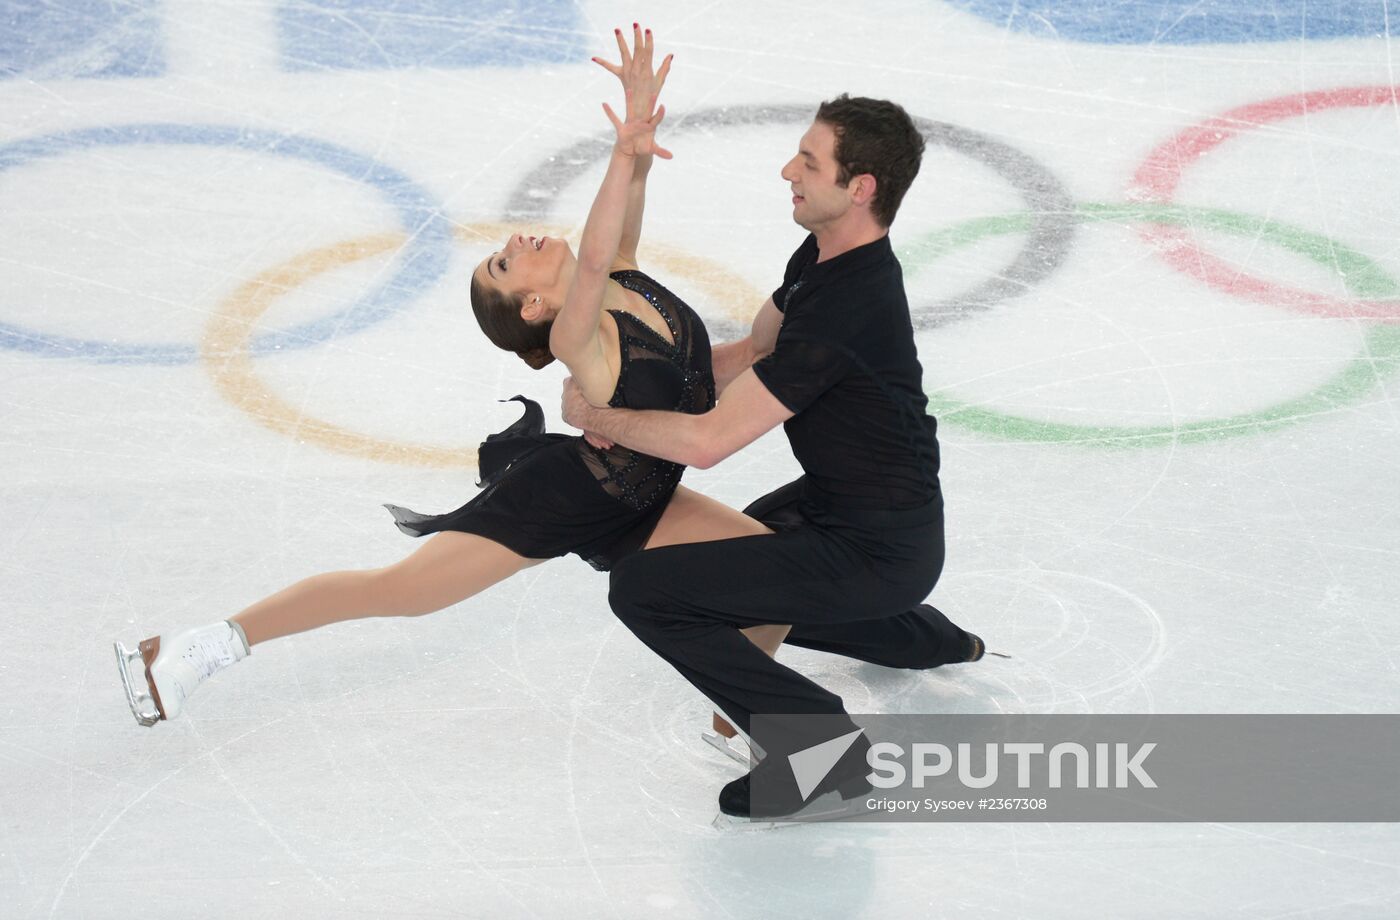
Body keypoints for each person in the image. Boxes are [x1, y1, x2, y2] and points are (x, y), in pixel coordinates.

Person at [114, 26, 789, 731]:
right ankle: (194, 650)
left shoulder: (624, 270)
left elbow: (615, 229)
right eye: (504, 264)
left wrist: (640, 136)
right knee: (401, 592)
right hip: (566, 499)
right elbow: (587, 262)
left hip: (640, 496)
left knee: (777, 578)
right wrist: (621, 154)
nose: (513, 244)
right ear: (535, 307)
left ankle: (738, 715)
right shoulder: (575, 332)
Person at [561, 94, 993, 819]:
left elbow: (709, 444)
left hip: (878, 548)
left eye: (810, 161)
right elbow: (752, 352)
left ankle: (822, 752)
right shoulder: (826, 256)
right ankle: (929, 641)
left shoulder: (846, 308)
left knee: (647, 589)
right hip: (850, 518)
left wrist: (600, 416)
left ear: (861, 189)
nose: (787, 168)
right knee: (733, 557)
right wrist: (633, 394)